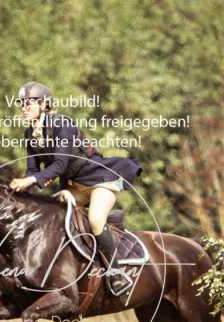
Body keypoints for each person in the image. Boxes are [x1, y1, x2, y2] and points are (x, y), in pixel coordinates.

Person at [9, 81, 142, 296]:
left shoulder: (63, 124)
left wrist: (33, 180)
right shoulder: (30, 133)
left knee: (96, 219)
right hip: (73, 187)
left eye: (28, 104)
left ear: (43, 104)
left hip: (100, 180)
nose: (23, 108)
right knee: (51, 216)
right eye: (21, 104)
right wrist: (21, 192)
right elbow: (32, 168)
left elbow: (60, 165)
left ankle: (117, 273)